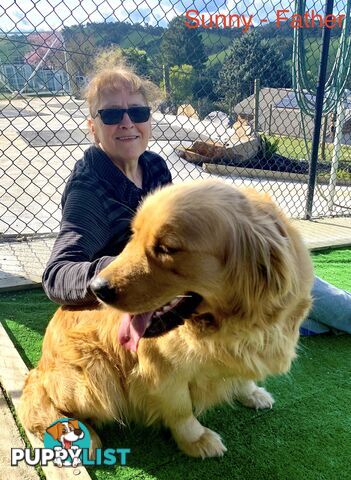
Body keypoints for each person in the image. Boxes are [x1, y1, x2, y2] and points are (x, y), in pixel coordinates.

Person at [42, 64, 351, 335]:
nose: (126, 122)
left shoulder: (154, 167)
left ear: (148, 120)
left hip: (175, 286)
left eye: (137, 112)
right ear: (93, 128)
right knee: (294, 295)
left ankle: (319, 321)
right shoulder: (89, 188)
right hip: (137, 296)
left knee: (295, 281)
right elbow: (57, 275)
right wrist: (127, 267)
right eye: (111, 114)